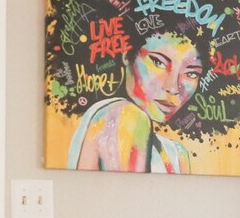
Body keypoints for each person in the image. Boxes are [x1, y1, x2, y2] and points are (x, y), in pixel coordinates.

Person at [67, 30, 205, 173]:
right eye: (158, 62)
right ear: (127, 55)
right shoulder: (126, 114)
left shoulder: (176, 153)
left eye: (191, 73)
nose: (173, 88)